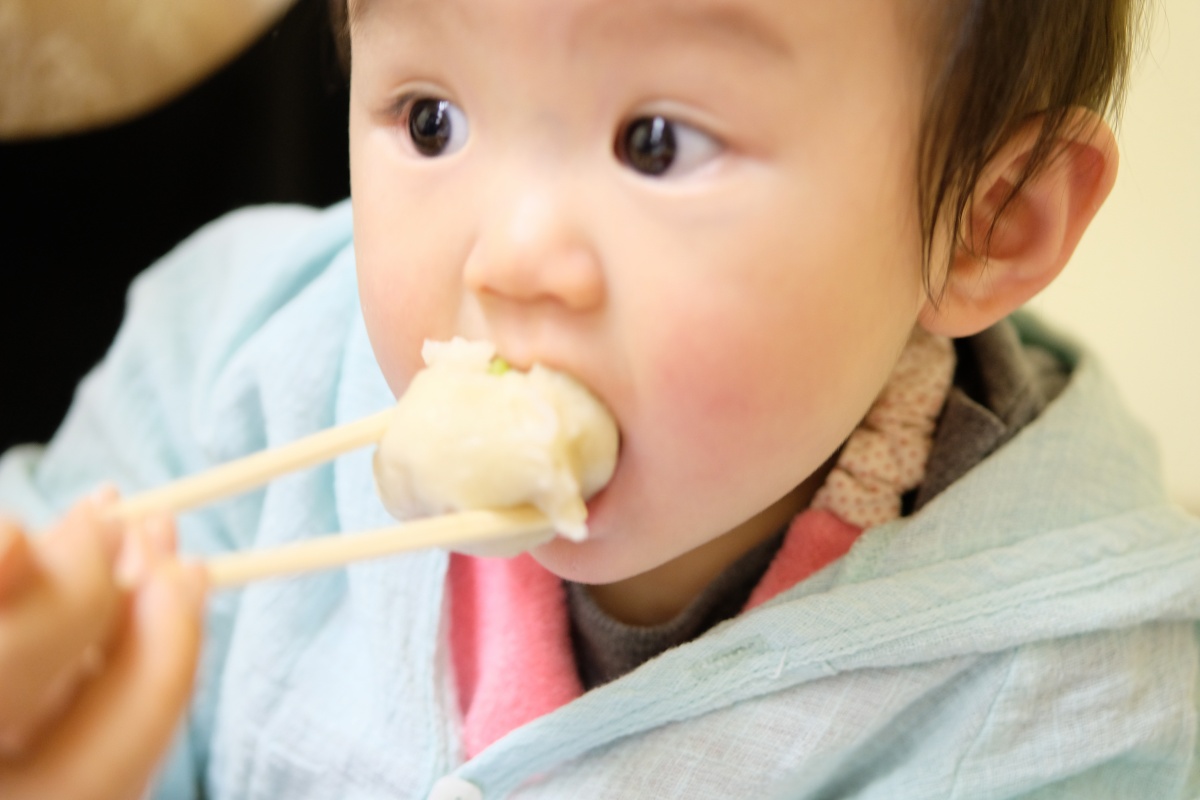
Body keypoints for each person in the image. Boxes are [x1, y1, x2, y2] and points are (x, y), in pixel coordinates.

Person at [2, 0, 1197, 797]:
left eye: (658, 142)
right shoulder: (238, 370)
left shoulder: (1060, 705)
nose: (508, 261)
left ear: (988, 223)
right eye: (433, 119)